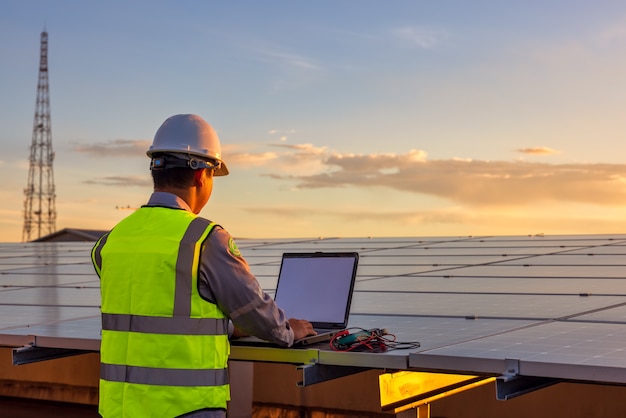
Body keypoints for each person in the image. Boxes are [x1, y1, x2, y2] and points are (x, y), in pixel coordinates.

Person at [91, 114, 315, 418]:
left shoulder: (111, 242)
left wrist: (222, 325)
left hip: (119, 408)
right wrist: (290, 330)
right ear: (201, 176)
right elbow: (256, 313)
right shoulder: (204, 240)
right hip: (186, 407)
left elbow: (155, 313)